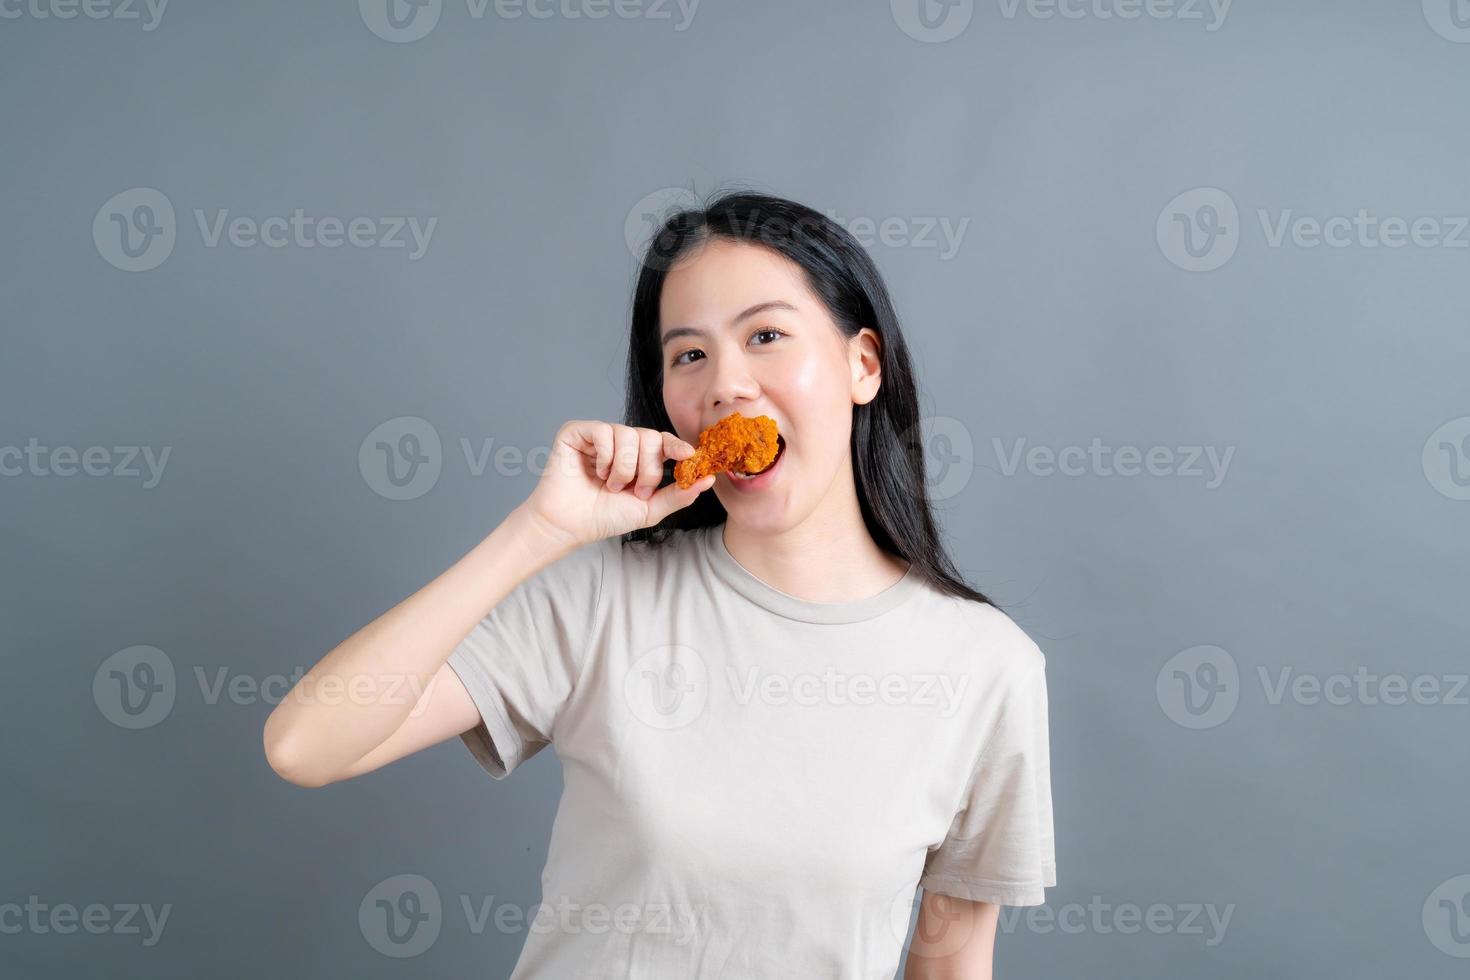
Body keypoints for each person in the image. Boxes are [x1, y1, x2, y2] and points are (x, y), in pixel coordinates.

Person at [262, 190, 1056, 979]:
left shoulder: (986, 667)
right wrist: (538, 532)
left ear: (862, 364)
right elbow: (304, 746)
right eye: (689, 354)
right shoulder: (602, 597)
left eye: (767, 334)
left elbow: (953, 965)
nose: (726, 386)